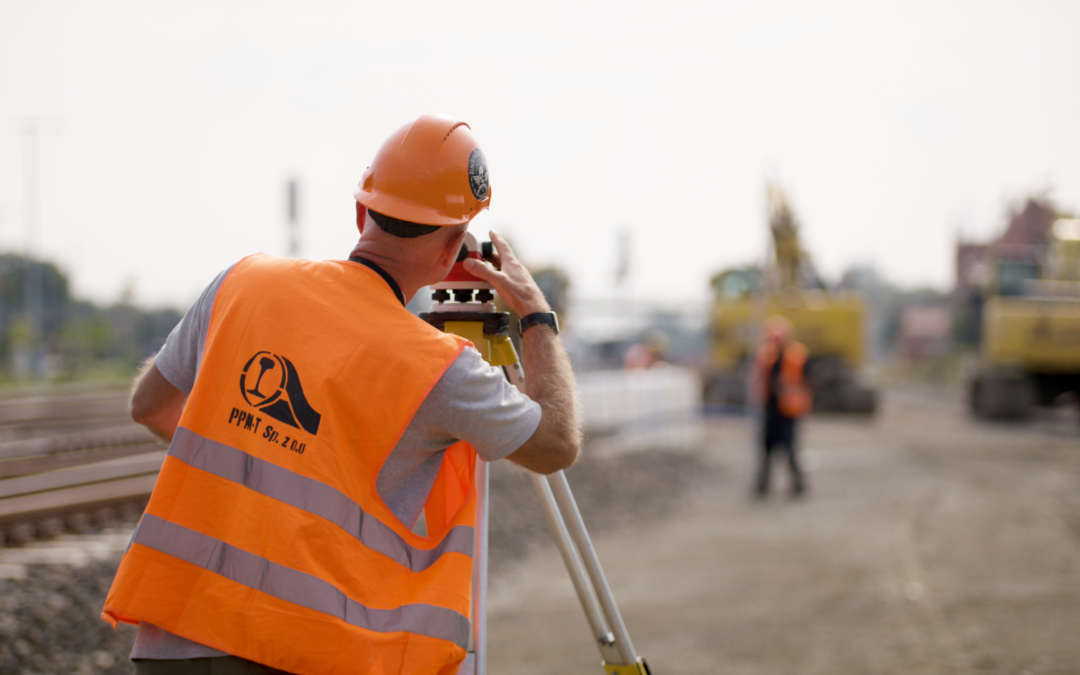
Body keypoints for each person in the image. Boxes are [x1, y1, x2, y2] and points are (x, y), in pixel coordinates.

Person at [101, 115, 581, 675]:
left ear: (361, 213)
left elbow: (151, 406)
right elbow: (556, 445)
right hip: (304, 648)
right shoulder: (437, 365)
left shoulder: (243, 282)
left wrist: (268, 453)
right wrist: (536, 317)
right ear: (455, 244)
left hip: (174, 634)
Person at [752, 315, 811, 498]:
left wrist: (786, 386)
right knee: (766, 449)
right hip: (770, 409)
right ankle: (761, 487)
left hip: (789, 411)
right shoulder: (766, 355)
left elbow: (809, 380)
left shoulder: (798, 355)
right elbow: (758, 379)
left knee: (790, 448)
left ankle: (798, 485)